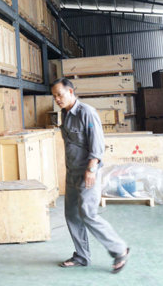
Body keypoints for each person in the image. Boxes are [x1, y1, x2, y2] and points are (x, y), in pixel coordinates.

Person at [51, 77, 130, 274]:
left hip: (88, 172)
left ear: (70, 92)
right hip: (72, 172)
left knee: (88, 213)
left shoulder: (86, 112)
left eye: (59, 95)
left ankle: (119, 249)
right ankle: (81, 256)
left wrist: (91, 169)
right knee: (71, 215)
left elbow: (97, 143)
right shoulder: (65, 114)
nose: (57, 99)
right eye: (54, 97)